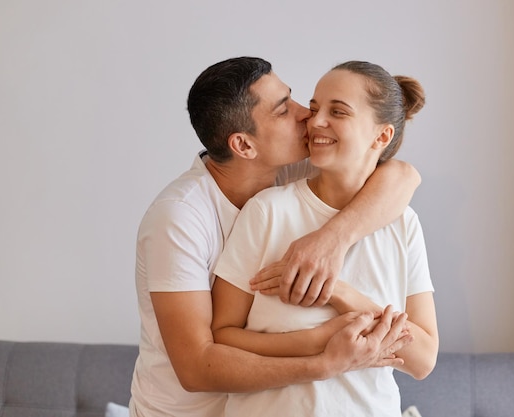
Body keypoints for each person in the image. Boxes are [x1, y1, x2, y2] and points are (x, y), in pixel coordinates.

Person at [128, 56, 422, 417]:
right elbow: (197, 365)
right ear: (244, 146)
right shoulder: (179, 219)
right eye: (284, 110)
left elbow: (402, 175)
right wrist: (324, 361)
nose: (308, 116)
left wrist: (332, 239)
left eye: (296, 100)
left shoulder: (288, 168)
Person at [211, 60, 439, 416]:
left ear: (381, 136)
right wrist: (321, 345)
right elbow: (222, 335)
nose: (315, 121)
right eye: (315, 108)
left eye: (338, 112)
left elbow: (422, 359)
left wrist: (340, 293)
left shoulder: (403, 224)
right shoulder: (267, 211)